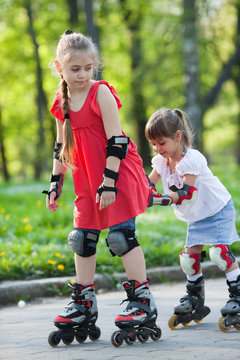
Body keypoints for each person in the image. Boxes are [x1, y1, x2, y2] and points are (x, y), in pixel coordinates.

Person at [43, 30, 160, 347]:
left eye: (88, 68)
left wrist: (109, 184)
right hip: (86, 177)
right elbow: (61, 146)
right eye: (75, 69)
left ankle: (142, 301)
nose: (82, 75)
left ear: (94, 66)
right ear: (59, 67)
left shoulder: (101, 93)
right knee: (81, 238)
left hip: (117, 173)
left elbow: (117, 141)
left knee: (121, 236)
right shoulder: (61, 103)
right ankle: (83, 302)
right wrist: (55, 184)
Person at [145, 107, 240, 331]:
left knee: (219, 254)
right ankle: (195, 300)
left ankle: (237, 295)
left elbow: (187, 194)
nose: (158, 149)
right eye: (153, 144)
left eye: (162, 143)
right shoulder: (160, 161)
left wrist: (158, 200)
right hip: (197, 216)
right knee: (189, 260)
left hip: (217, 209)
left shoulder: (192, 159)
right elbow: (147, 184)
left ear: (177, 137)